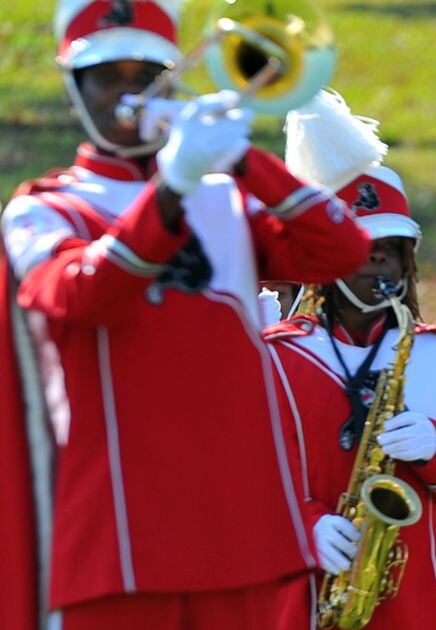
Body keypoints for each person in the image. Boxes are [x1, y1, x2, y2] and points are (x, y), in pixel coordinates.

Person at [0, 1, 372, 628]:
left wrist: (243, 158)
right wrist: (170, 187)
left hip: (238, 533)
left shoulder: (225, 194)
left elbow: (339, 250)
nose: (128, 94)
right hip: (115, 536)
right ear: (74, 89)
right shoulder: (41, 209)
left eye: (145, 76)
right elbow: (86, 295)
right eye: (106, 77)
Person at [265, 91, 436, 629]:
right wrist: (304, 525)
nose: (378, 265)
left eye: (389, 251)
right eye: (361, 250)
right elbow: (235, 480)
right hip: (306, 591)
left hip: (422, 600)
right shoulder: (276, 356)